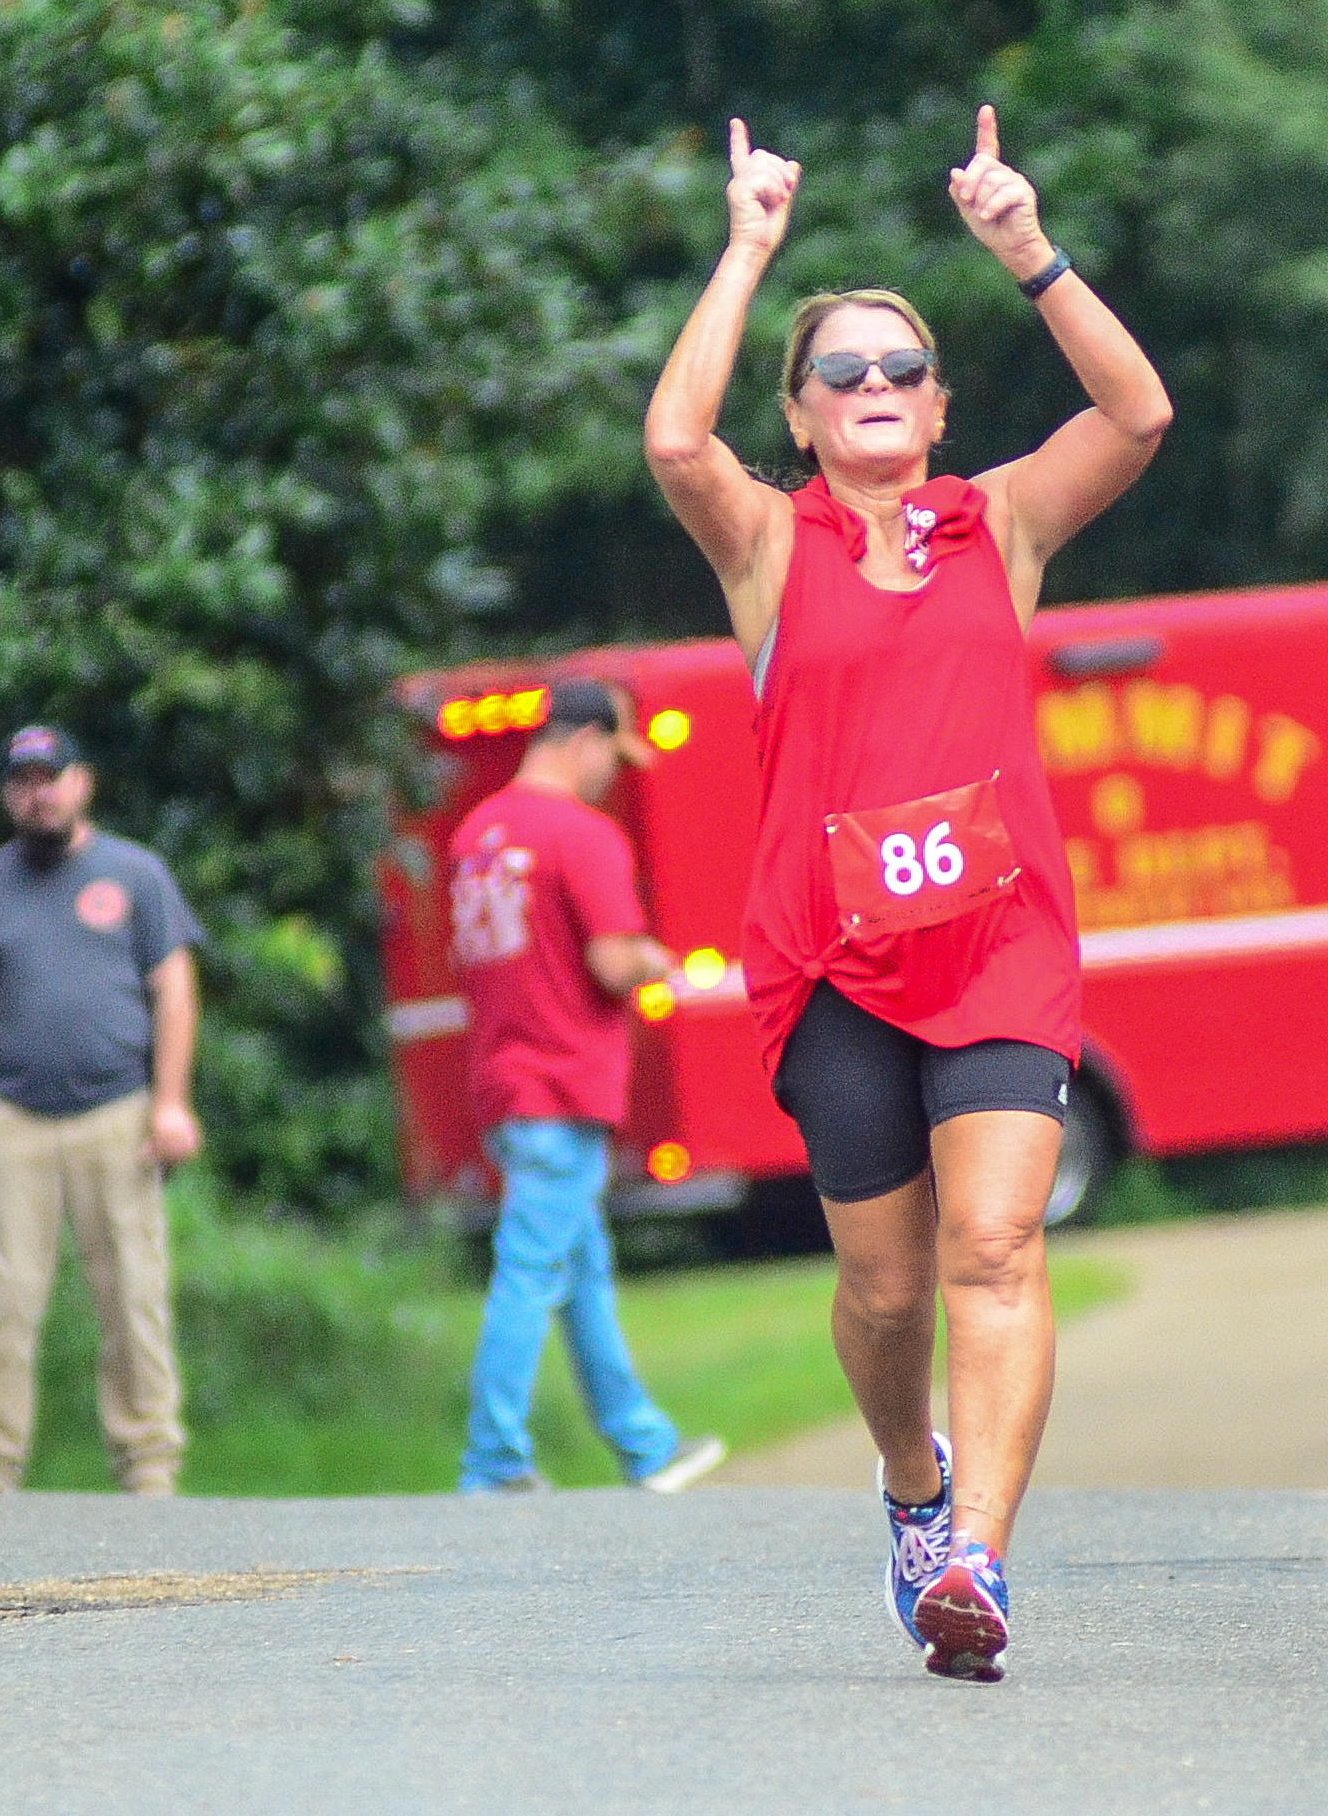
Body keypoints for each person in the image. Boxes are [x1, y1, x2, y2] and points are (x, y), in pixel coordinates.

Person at [640, 107, 1171, 1681]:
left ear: (938, 404)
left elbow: (1136, 413)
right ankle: (909, 1481)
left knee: (991, 1247)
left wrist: (1028, 253)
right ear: (799, 418)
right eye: (840, 373)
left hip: (998, 947)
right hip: (829, 962)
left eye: (900, 367)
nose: (872, 384)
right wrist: (748, 247)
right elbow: (672, 443)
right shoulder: (765, 545)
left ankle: (978, 1560)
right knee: (883, 1291)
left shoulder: (996, 524)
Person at [448, 678, 731, 1500]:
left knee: (583, 1275)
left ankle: (646, 1445)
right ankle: (493, 1459)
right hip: (562, 1084)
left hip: (503, 1081)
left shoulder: (476, 834)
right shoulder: (582, 833)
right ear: (585, 740)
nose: (613, 773)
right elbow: (611, 961)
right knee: (529, 1272)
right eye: (614, 755)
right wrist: (655, 958)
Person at [0, 725, 204, 1496]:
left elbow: (174, 987)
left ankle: (148, 1460)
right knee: (5, 1297)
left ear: (82, 782)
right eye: (22, 780)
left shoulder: (136, 873)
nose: (38, 793)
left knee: (134, 1292)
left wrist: (171, 1101)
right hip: (15, 1119)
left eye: (51, 777)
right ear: (6, 794)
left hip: (117, 1112)